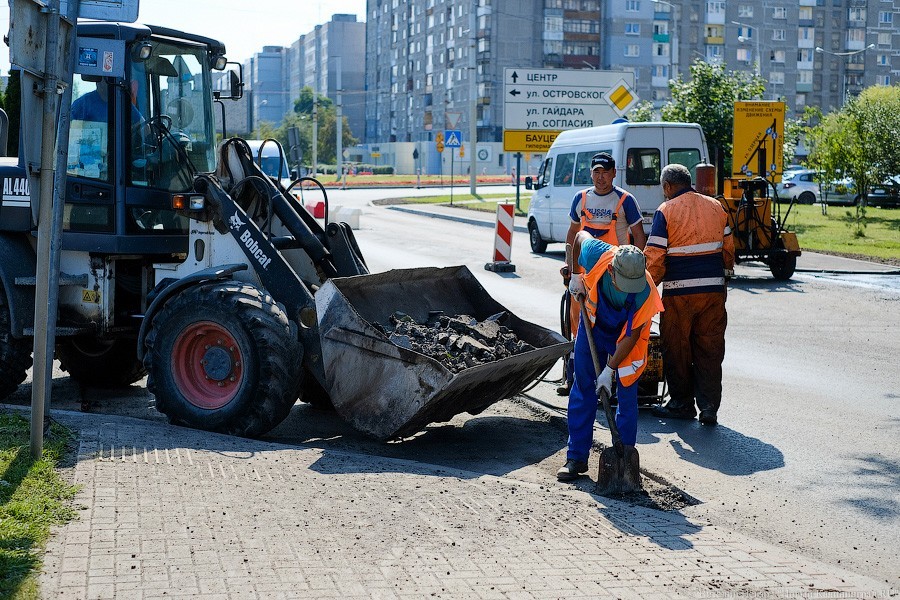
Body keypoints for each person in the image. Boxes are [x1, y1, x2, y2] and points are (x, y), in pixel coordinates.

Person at [557, 234, 663, 481]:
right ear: (610, 271)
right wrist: (575, 276)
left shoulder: (645, 291)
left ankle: (624, 460)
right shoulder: (597, 253)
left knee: (627, 393)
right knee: (583, 386)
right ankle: (576, 458)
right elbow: (578, 239)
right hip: (593, 326)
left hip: (626, 339)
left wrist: (609, 370)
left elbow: (633, 334)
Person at [644, 164, 735, 426]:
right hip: (713, 292)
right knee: (710, 347)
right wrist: (724, 273)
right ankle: (708, 407)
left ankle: (681, 403)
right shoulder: (716, 207)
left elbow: (656, 256)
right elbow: (728, 247)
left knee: (678, 347)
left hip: (679, 293)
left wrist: (646, 286)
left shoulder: (666, 211)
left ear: (668, 187)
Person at [556, 152, 647, 396]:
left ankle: (609, 378)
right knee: (577, 327)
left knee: (611, 327)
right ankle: (573, 377)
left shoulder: (626, 200)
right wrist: (570, 269)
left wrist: (638, 268)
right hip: (584, 276)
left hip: (613, 278)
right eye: (596, 172)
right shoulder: (581, 198)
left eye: (605, 172)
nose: (601, 177)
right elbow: (573, 234)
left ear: (614, 173)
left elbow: (639, 236)